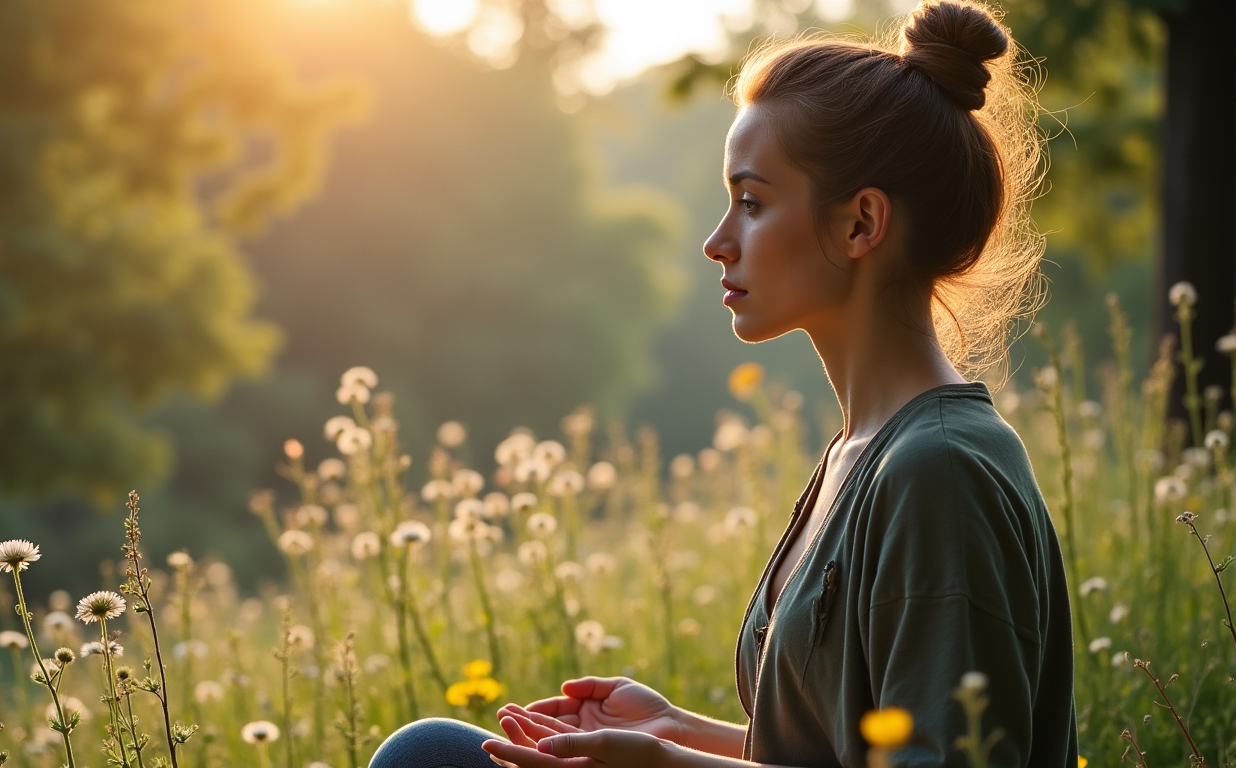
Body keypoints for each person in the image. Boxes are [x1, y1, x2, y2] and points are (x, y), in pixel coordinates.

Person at [369, 1, 1077, 766]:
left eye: (752, 202)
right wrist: (678, 731)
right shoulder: (863, 453)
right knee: (434, 751)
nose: (717, 242)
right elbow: (838, 752)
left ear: (860, 224)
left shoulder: (939, 472)